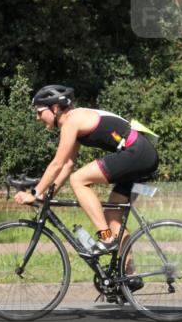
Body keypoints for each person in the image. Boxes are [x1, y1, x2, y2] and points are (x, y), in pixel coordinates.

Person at [15, 85, 158, 284]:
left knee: (79, 180)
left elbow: (57, 164)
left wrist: (35, 193)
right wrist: (48, 195)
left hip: (137, 153)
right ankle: (129, 277)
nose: (37, 117)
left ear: (54, 108)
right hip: (140, 154)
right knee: (112, 216)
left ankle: (105, 238)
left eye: (39, 112)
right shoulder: (73, 121)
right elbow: (67, 165)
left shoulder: (72, 121)